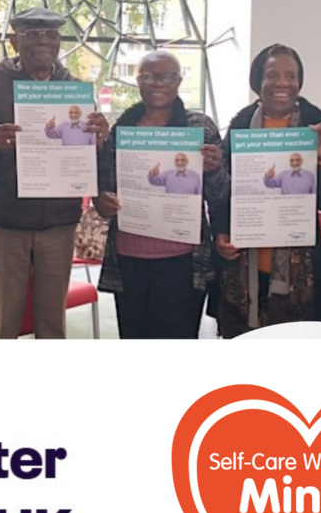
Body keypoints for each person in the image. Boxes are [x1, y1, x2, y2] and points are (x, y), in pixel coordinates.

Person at [0, 7, 108, 339]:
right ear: (15, 40)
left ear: (60, 41)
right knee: (3, 317)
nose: (42, 41)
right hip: (7, 220)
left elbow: (90, 156)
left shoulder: (75, 92)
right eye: (32, 35)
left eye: (51, 34)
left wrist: (100, 138)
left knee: (52, 321)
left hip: (59, 221)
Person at [94, 50, 226, 339]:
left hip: (182, 260)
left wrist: (214, 169)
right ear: (138, 81)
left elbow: (219, 195)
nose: (158, 83)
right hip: (129, 257)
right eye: (150, 76)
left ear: (178, 81)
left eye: (167, 76)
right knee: (134, 339)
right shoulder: (123, 128)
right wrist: (102, 200)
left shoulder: (199, 128)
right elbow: (104, 185)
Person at [211, 44, 321, 338]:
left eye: (291, 76)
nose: (282, 83)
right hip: (244, 263)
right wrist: (220, 232)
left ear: (299, 82)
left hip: (300, 269)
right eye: (272, 75)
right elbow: (224, 189)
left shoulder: (316, 125)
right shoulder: (241, 125)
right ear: (258, 81)